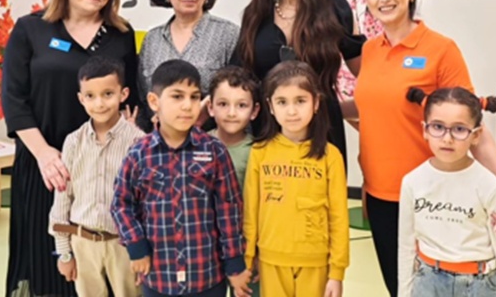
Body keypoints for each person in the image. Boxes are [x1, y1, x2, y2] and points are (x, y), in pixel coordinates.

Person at [340, 0, 496, 297]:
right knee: (399, 288)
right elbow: (374, 106)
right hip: (379, 196)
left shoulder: (441, 50)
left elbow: (473, 127)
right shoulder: (371, 51)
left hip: (434, 199)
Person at [2, 0, 139, 297]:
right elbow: (14, 100)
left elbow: (131, 101)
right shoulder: (32, 29)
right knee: (47, 264)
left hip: (101, 167)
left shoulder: (121, 34)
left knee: (100, 270)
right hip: (45, 164)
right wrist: (45, 154)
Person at [111, 60, 250, 297]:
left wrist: (234, 262)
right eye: (177, 96)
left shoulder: (214, 150)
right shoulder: (139, 154)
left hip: (207, 276)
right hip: (159, 278)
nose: (188, 106)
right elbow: (121, 204)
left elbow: (229, 209)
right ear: (154, 101)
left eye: (195, 97)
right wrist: (136, 245)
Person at [233, 0, 365, 169]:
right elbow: (240, 76)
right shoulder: (256, 14)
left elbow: (367, 74)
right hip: (269, 134)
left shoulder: (335, 8)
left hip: (324, 133)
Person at [399, 87, 496, 297]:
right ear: (425, 130)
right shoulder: (412, 182)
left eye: (459, 129)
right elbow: (406, 246)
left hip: (480, 285)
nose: (447, 138)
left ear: (476, 135)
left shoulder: (489, 185)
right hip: (427, 282)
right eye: (438, 127)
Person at [243, 61, 349, 297]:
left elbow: (339, 218)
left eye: (300, 101)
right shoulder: (260, 152)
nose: (291, 111)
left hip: (316, 262)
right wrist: (248, 258)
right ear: (270, 106)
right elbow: (251, 211)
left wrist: (337, 272)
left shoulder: (331, 156)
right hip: (271, 259)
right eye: (282, 102)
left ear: (316, 103)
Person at [48, 56, 144, 297]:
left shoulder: (138, 142)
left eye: (108, 94)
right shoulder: (73, 142)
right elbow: (63, 198)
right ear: (81, 98)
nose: (99, 103)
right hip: (83, 242)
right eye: (90, 96)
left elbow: (146, 201)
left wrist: (143, 250)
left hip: (124, 244)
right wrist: (64, 253)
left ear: (123, 94)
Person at [139, 0, 239, 130]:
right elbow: (143, 101)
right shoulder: (152, 40)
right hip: (160, 142)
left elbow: (241, 94)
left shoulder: (228, 34)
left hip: (215, 141)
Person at [206, 66, 261, 297]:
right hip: (207, 250)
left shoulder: (258, 152)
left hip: (246, 249)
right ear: (210, 107)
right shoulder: (198, 146)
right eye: (223, 104)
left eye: (241, 105)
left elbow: (262, 208)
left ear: (254, 111)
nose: (231, 113)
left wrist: (256, 252)